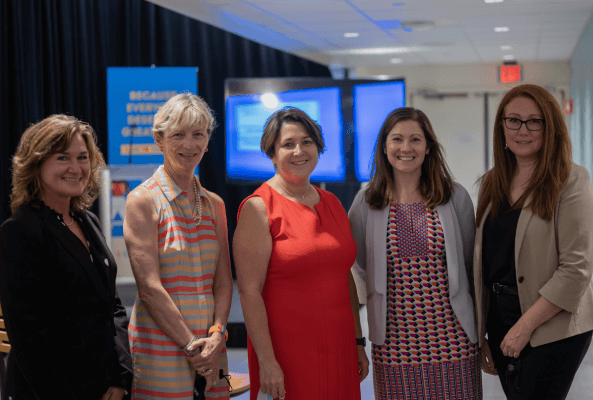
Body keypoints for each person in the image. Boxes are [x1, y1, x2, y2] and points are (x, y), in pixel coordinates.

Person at [474, 84, 593, 399]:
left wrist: (524, 327)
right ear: (501, 125)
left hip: (551, 324)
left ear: (550, 127)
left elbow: (576, 268)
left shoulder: (570, 180)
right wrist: (483, 333)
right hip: (502, 318)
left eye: (535, 121)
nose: (523, 129)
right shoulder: (492, 182)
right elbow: (486, 263)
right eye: (513, 120)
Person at [233, 107, 368, 400]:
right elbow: (248, 291)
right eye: (288, 144)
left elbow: (343, 275)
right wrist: (267, 361)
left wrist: (358, 341)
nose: (299, 151)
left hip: (340, 347)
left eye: (307, 142)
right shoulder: (258, 208)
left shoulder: (332, 203)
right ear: (272, 153)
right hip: (287, 354)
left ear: (318, 147)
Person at [349, 107, 482, 399]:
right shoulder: (365, 202)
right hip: (394, 342)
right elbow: (358, 264)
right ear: (384, 147)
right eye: (396, 139)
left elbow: (472, 266)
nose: (405, 148)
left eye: (415, 139)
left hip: (453, 338)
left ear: (429, 146)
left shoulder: (454, 196)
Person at [0, 115, 133, 399]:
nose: (76, 168)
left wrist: (120, 377)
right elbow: (29, 337)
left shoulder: (88, 222)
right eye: (63, 158)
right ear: (36, 164)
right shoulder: (19, 232)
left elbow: (113, 309)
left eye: (83, 157)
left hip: (106, 387)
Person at [125, 93, 233, 399]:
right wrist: (191, 346)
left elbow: (224, 281)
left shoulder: (215, 204)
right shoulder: (142, 200)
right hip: (162, 348)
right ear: (159, 140)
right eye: (178, 135)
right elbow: (149, 287)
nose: (189, 144)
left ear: (208, 140)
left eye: (198, 134)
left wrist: (216, 335)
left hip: (212, 348)